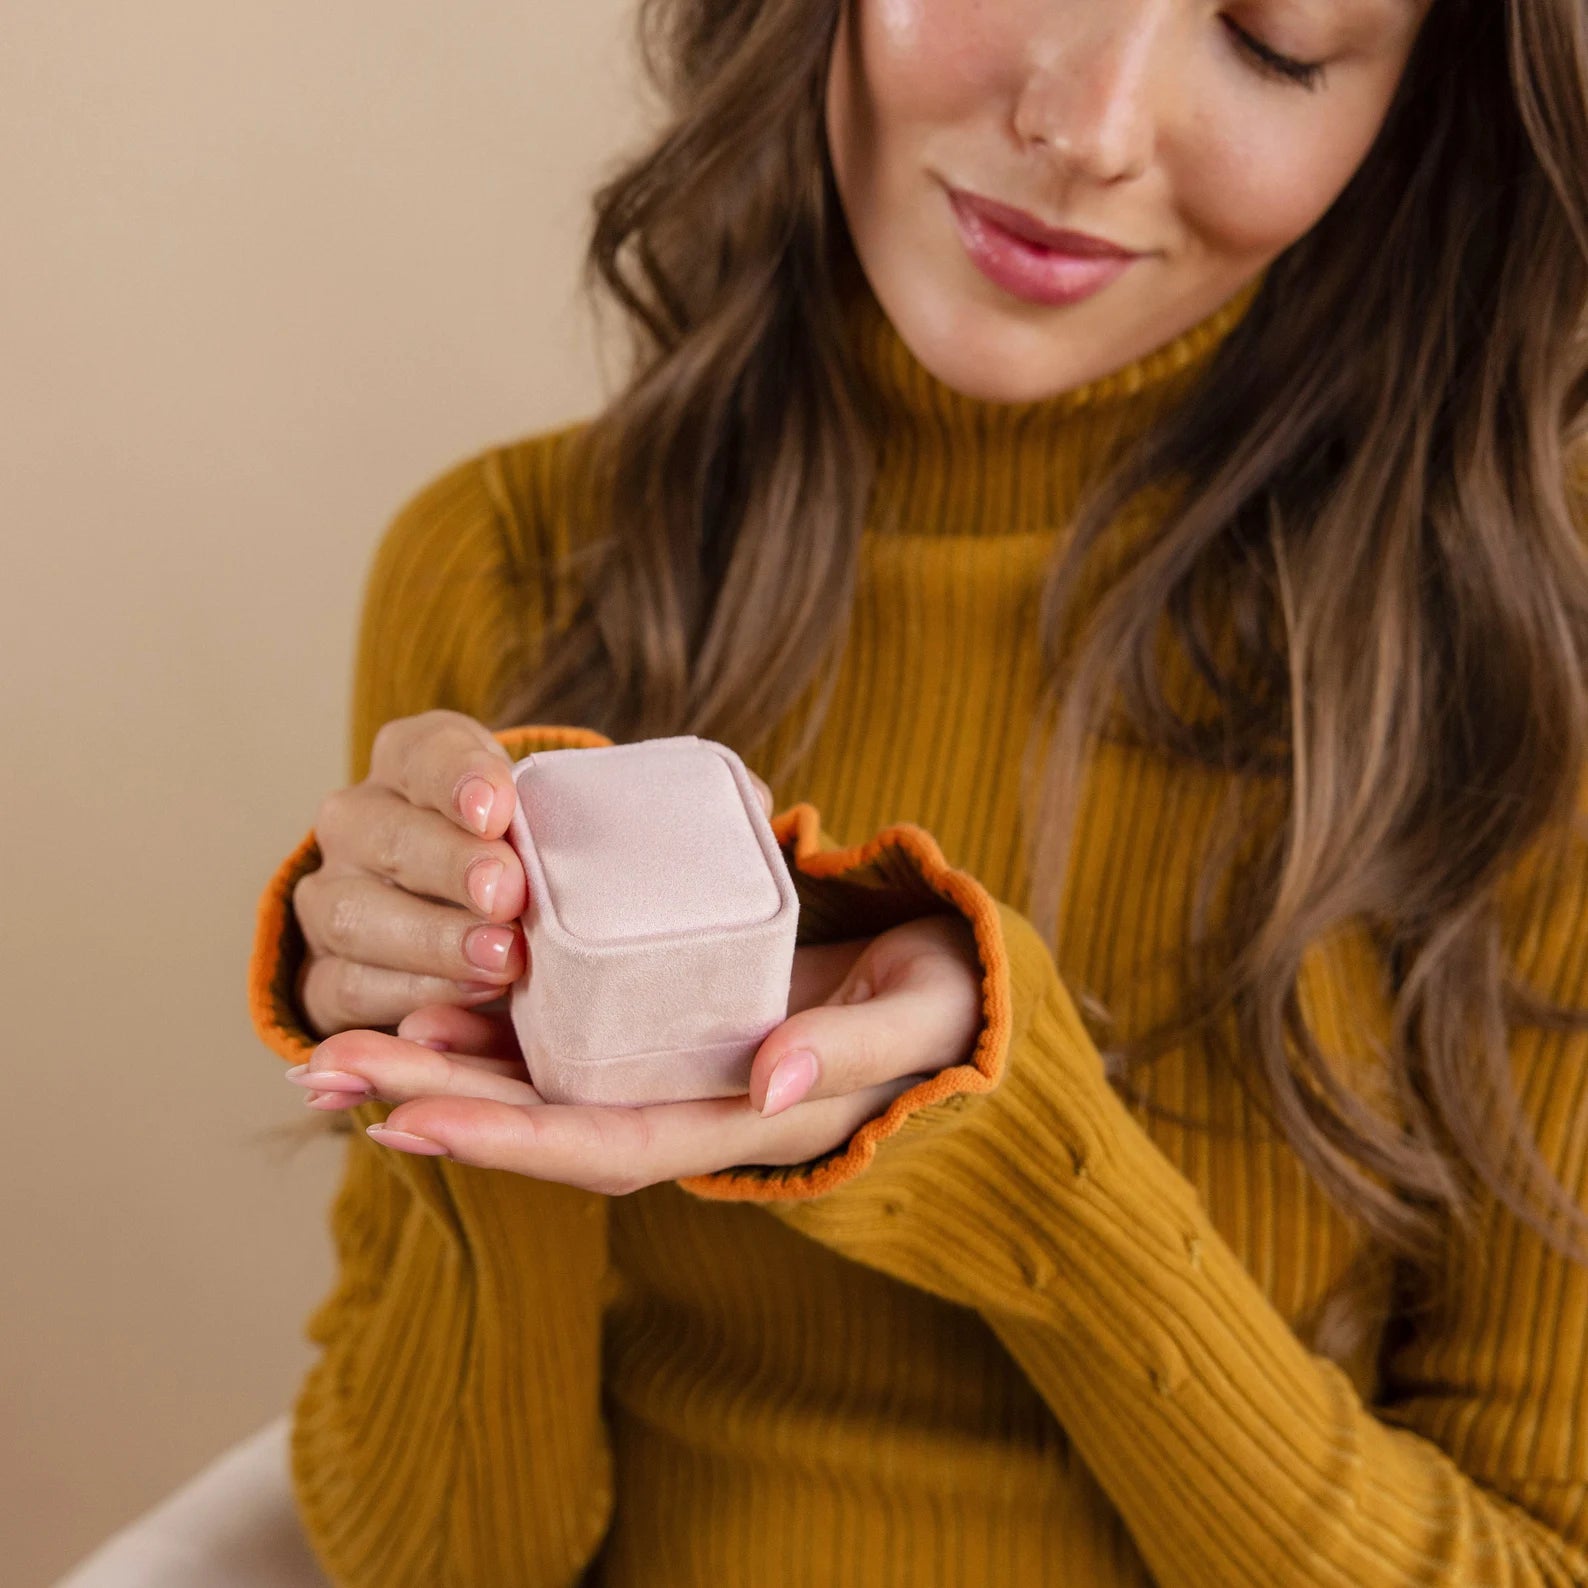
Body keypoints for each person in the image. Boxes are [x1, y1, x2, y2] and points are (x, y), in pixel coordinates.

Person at [247, 0, 1588, 1582]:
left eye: (1273, 35)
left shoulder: (1533, 679)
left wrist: (1030, 1174)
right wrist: (509, 1060)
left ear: (1414, 108)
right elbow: (441, 1560)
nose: (1086, 127)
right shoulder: (507, 575)